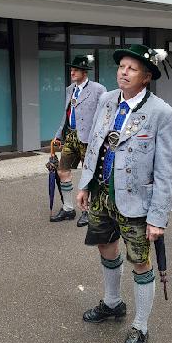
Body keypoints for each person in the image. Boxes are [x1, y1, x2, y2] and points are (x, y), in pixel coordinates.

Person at [76, 45, 172, 343]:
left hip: (137, 201)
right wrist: (85, 184)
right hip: (102, 193)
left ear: (146, 77)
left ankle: (140, 327)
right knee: (105, 246)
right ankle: (112, 303)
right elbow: (95, 145)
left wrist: (158, 217)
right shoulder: (107, 100)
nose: (124, 72)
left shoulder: (161, 113)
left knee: (140, 261)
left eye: (132, 68)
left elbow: (166, 171)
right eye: (122, 66)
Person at [51, 55, 106, 227]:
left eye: (75, 70)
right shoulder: (70, 89)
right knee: (62, 170)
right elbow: (66, 114)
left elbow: (105, 115)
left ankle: (87, 211)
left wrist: (100, 137)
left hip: (88, 138)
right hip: (71, 135)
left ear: (84, 72)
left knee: (88, 174)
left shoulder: (98, 89)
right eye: (71, 70)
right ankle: (68, 208)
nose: (72, 73)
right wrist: (59, 134)